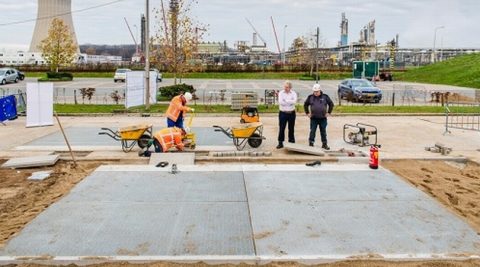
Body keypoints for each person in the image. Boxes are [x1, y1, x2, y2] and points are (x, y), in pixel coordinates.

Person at [304, 84, 334, 150]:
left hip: (323, 118)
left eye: (317, 91)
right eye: (314, 91)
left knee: (323, 131)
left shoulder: (325, 97)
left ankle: (324, 144)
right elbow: (305, 104)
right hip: (313, 118)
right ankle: (311, 143)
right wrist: (307, 113)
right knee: (312, 131)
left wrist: (329, 112)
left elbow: (331, 104)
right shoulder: (310, 97)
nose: (316, 93)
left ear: (320, 90)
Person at [277, 81, 298, 149]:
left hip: (292, 113)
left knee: (291, 128)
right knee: (282, 128)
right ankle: (280, 142)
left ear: (290, 87)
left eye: (287, 87)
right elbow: (280, 102)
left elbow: (294, 102)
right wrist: (290, 101)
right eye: (285, 87)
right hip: (283, 113)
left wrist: (285, 100)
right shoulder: (281, 93)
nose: (286, 88)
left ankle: (291, 142)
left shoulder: (294, 93)